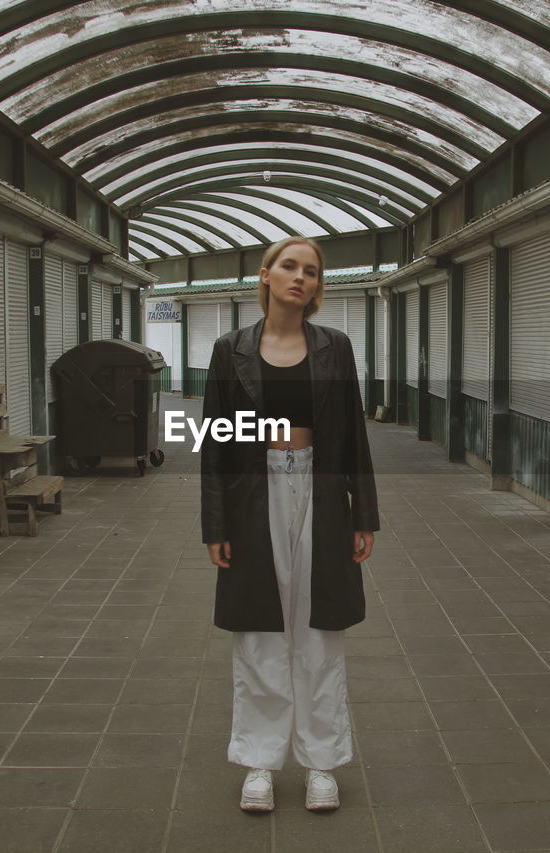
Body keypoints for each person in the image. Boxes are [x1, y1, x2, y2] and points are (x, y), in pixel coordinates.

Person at [200, 236, 379, 812]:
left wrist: (364, 514)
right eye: (289, 266)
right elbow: (215, 444)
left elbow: (353, 432)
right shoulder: (231, 351)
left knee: (319, 629)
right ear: (267, 275)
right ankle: (259, 761)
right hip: (254, 492)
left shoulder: (335, 348)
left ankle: (322, 763)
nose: (300, 277)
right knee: (260, 631)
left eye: (311, 270)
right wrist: (215, 524)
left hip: (322, 492)